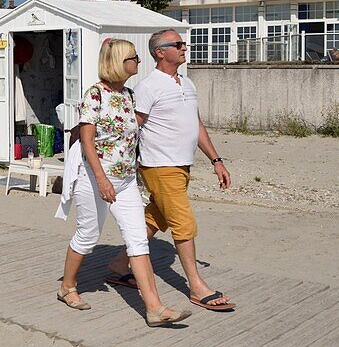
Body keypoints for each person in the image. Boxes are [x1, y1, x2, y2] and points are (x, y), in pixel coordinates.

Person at [56, 39, 191, 327]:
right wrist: (102, 179)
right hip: (95, 178)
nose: (138, 61)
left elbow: (134, 138)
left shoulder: (129, 95)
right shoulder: (95, 95)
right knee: (88, 236)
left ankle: (155, 309)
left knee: (138, 239)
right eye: (133, 57)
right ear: (119, 62)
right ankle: (67, 286)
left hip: (126, 180)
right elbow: (87, 141)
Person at [105, 28, 236, 312]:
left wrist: (216, 160)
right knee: (183, 222)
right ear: (160, 52)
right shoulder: (147, 87)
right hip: (159, 165)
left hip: (181, 165)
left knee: (157, 216)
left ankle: (119, 264)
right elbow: (131, 127)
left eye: (183, 43)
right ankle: (197, 286)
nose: (184, 47)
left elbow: (196, 125)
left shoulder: (187, 84)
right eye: (177, 44)